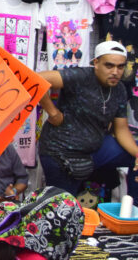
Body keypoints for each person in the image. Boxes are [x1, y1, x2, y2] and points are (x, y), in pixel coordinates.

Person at [38, 40, 138, 199]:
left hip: (95, 149)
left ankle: (133, 213)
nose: (115, 72)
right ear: (96, 63)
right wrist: (53, 112)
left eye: (120, 67)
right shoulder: (80, 76)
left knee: (135, 154)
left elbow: (121, 129)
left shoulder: (119, 89)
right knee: (63, 205)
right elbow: (36, 79)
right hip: (61, 152)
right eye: (109, 66)